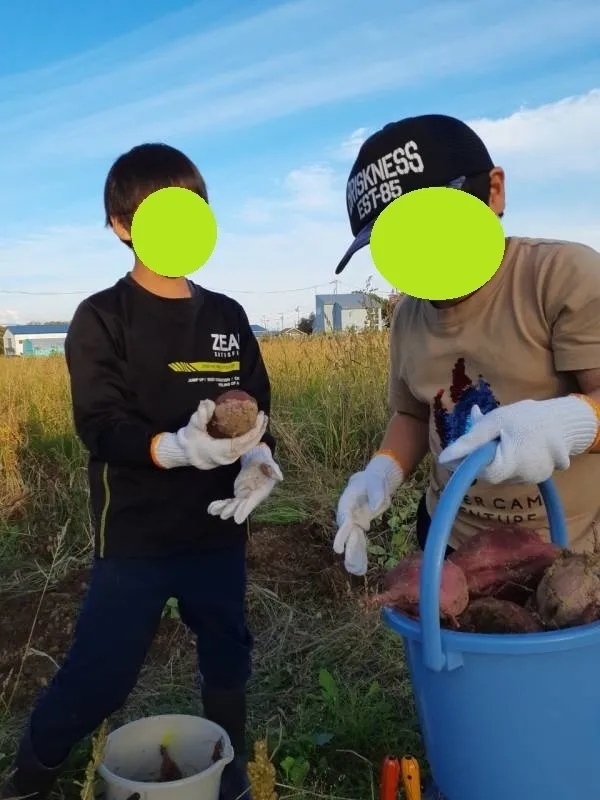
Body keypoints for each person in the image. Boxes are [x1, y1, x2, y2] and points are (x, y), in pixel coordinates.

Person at [2, 143, 283, 800]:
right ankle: (29, 775)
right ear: (122, 226)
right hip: (136, 535)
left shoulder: (227, 317)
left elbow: (255, 401)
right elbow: (100, 425)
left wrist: (260, 455)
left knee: (228, 649)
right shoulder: (103, 318)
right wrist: (175, 448)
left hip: (217, 526)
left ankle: (230, 772)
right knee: (103, 673)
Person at [332, 113, 600, 578]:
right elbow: (414, 414)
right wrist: (381, 472)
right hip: (452, 540)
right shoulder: (409, 315)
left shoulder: (560, 276)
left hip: (570, 550)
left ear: (493, 192)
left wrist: (565, 423)